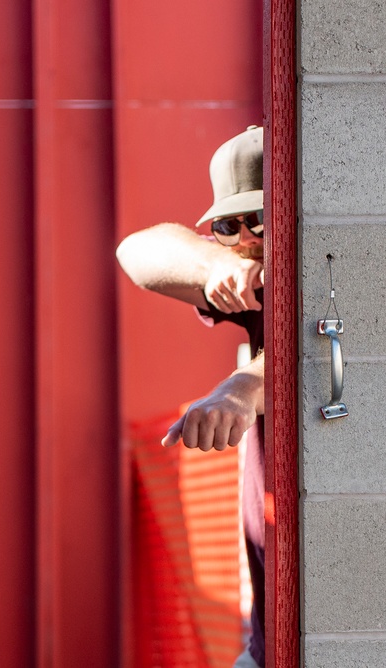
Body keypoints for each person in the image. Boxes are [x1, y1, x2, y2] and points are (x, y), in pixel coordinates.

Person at [116, 125, 267, 668]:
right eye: (230, 226)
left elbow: (308, 355)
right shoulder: (249, 271)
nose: (248, 239)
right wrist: (213, 266)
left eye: (262, 219)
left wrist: (241, 389)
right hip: (270, 638)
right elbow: (137, 250)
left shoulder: (336, 271)